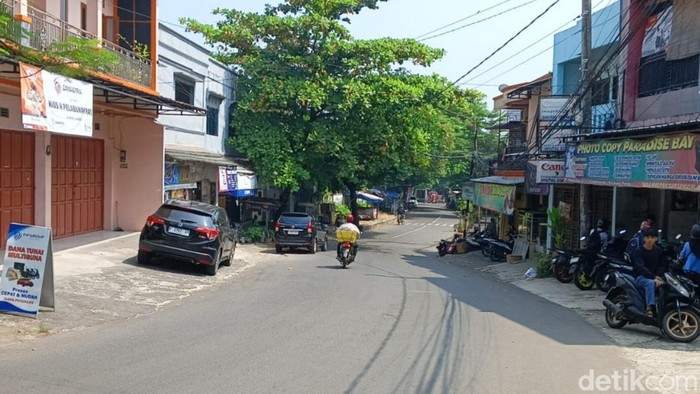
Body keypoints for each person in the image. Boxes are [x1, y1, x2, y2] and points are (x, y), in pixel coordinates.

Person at [630, 229, 665, 317]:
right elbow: (641, 267)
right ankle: (649, 307)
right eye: (647, 237)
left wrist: (659, 276)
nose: (650, 239)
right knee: (650, 283)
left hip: (656, 277)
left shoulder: (658, 251)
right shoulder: (639, 251)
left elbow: (662, 265)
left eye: (652, 237)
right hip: (640, 277)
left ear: (656, 239)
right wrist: (654, 277)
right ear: (644, 239)